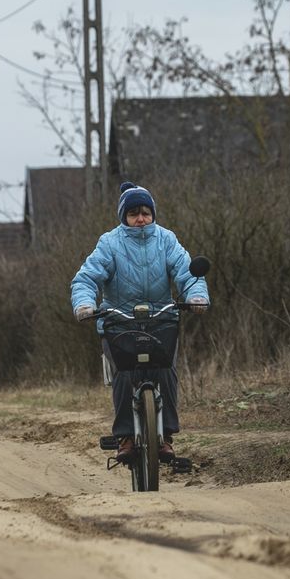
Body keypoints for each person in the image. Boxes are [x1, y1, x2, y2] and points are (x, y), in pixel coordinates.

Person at [71, 181, 208, 463]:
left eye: (146, 212)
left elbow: (187, 272)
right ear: (124, 217)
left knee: (166, 370)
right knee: (123, 374)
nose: (141, 218)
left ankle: (166, 436)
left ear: (153, 214)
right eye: (134, 213)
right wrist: (84, 304)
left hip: (161, 318)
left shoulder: (167, 239)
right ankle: (125, 437)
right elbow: (86, 278)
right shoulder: (109, 243)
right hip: (119, 321)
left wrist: (196, 297)